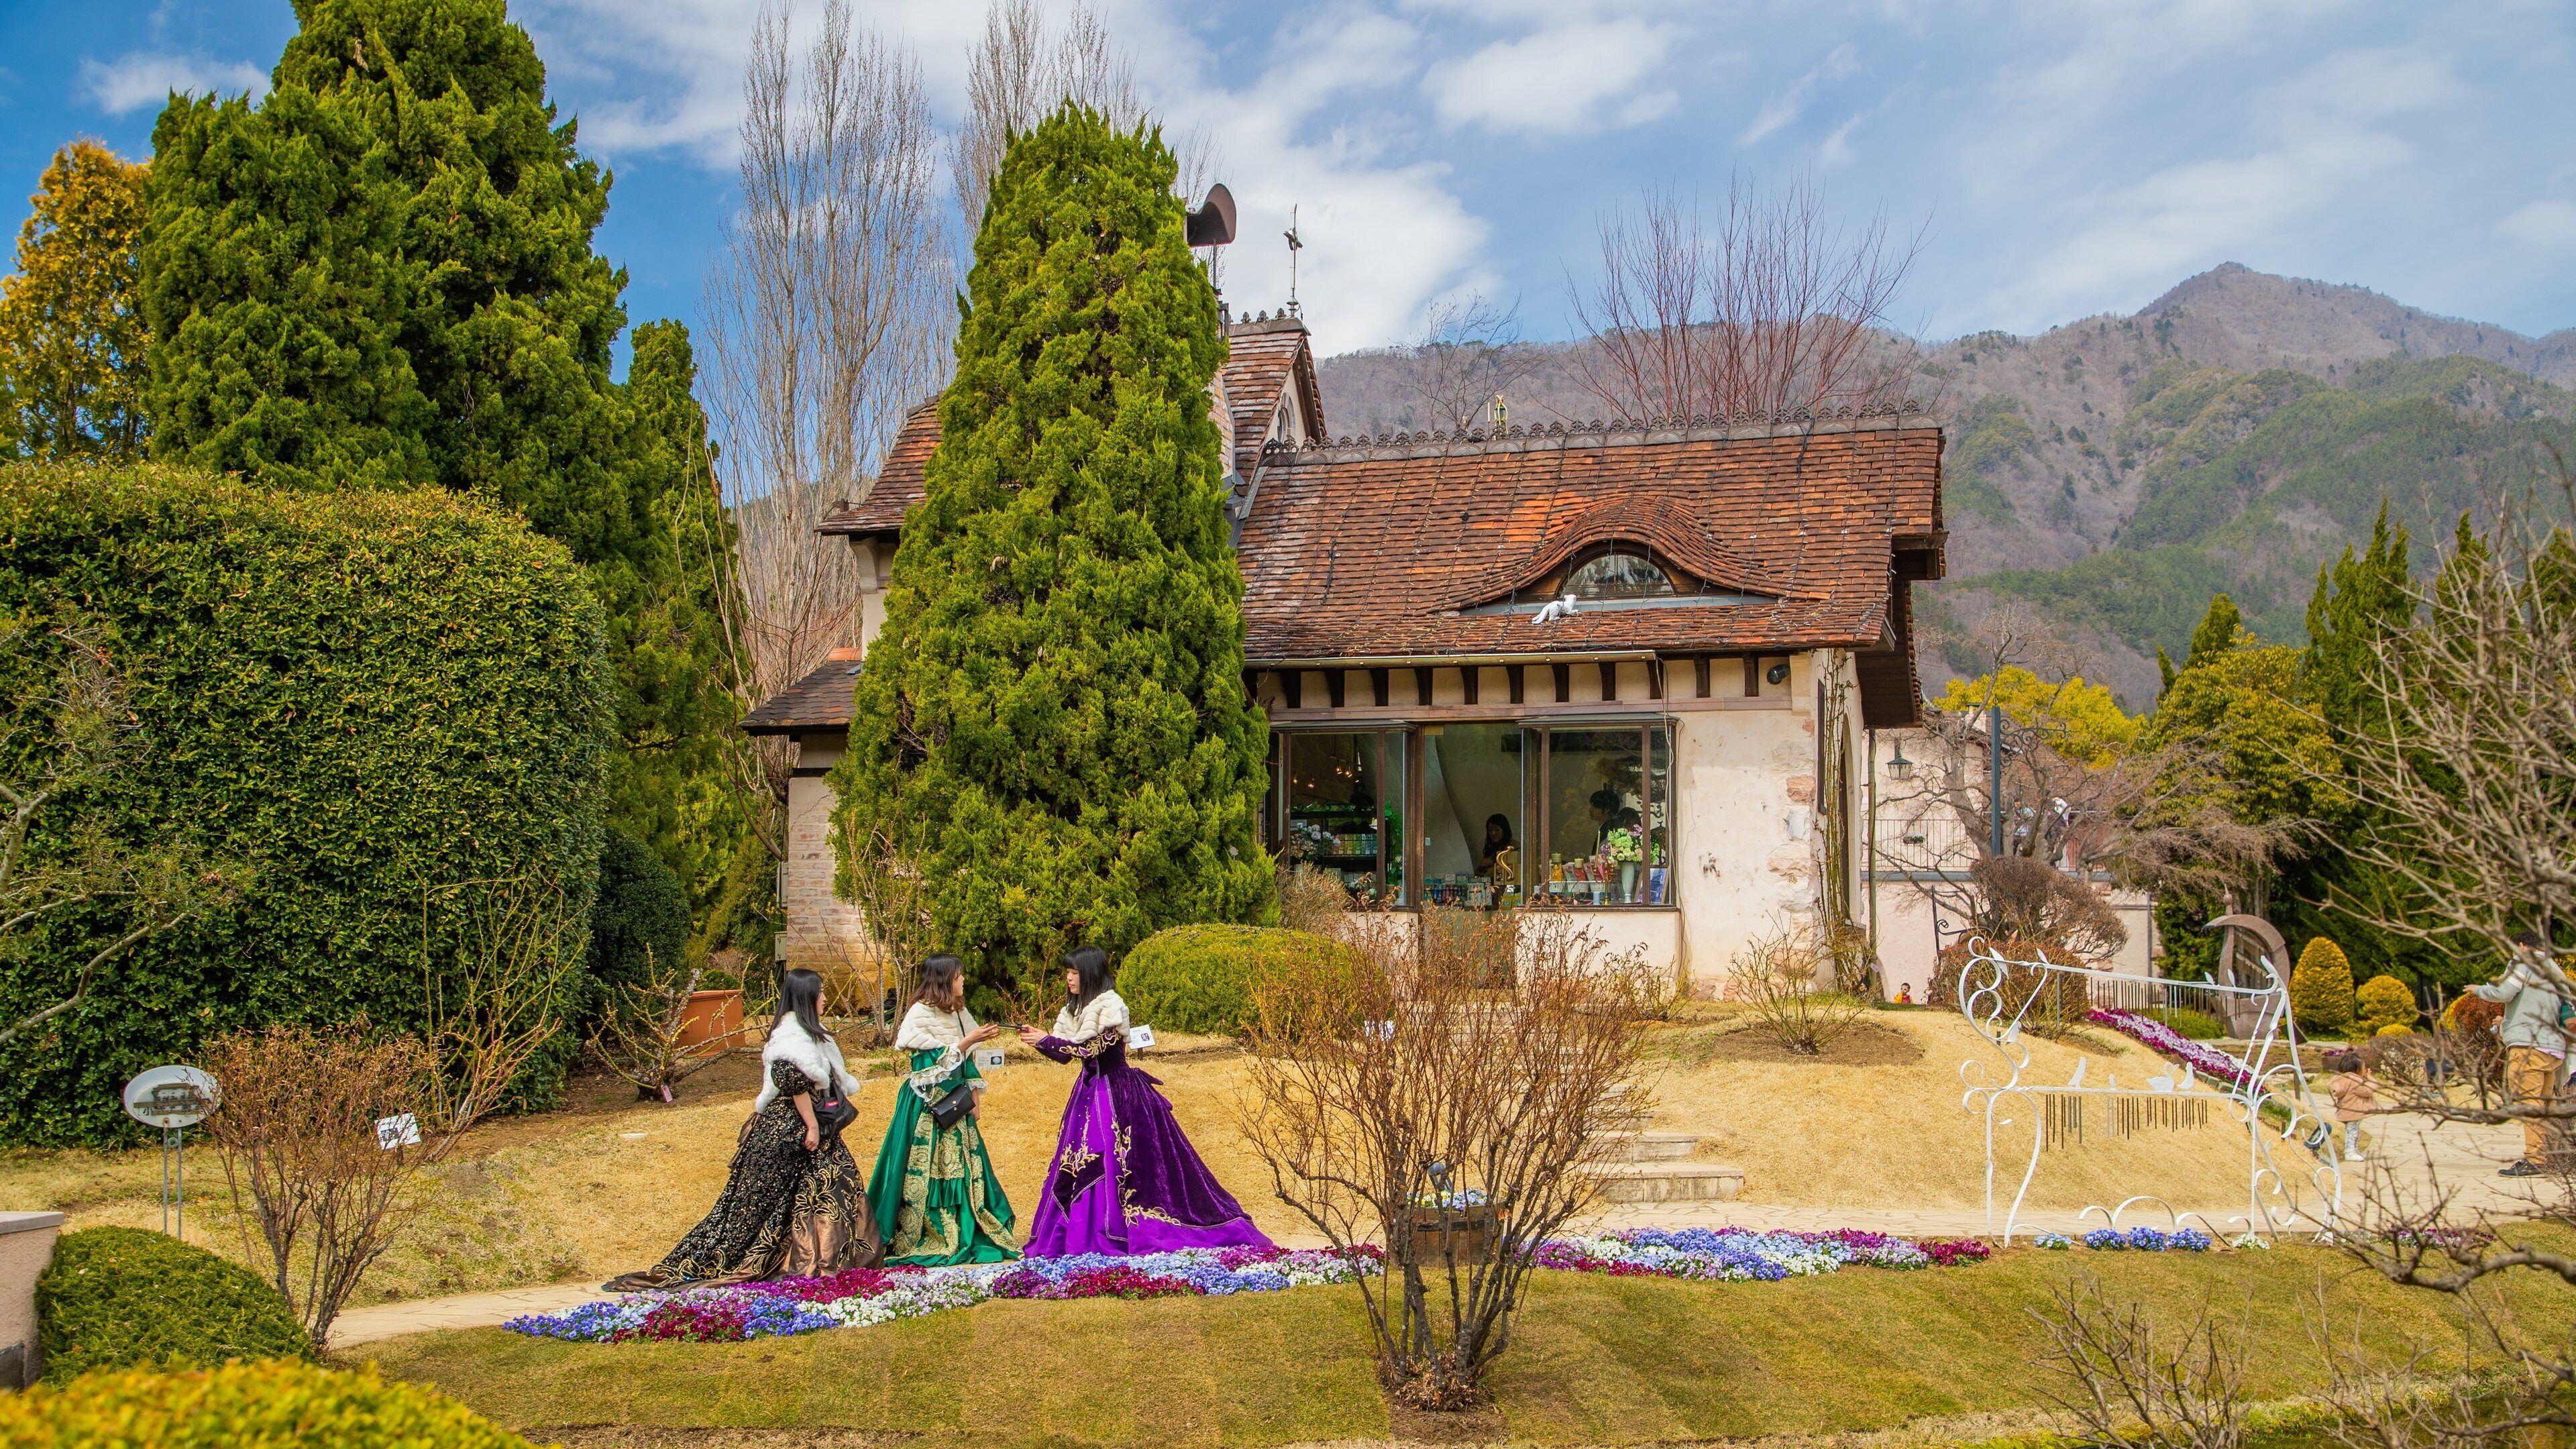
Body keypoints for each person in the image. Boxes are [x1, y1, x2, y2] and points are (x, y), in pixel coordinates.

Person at [604, 968, 877, 1290]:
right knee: (768, 1203)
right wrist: (812, 1126)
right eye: (821, 993)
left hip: (810, 1127)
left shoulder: (811, 1033)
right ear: (807, 997)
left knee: (830, 1187)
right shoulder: (791, 1036)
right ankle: (803, 1262)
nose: (825, 998)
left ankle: (828, 1259)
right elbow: (791, 1081)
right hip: (791, 1128)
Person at [1017, 945, 1273, 1256]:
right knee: (1077, 1161)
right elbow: (1065, 1056)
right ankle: (1077, 1232)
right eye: (1068, 973)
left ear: (1091, 974)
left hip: (1116, 1095)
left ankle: (1108, 1231)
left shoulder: (1111, 1006)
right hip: (1087, 1094)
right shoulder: (1074, 1011)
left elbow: (1090, 1049)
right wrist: (1038, 1041)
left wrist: (1046, 1039)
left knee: (1112, 1159)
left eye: (1075, 973)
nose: (1069, 979)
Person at [868, 954, 1019, 1264]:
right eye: (958, 975)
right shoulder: (920, 1014)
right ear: (945, 980)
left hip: (957, 1105)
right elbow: (925, 1069)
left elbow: (965, 1063)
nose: (963, 980)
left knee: (962, 1168)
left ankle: (965, 1227)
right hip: (926, 1108)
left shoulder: (959, 1012)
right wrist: (966, 1042)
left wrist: (975, 1098)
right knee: (924, 1169)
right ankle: (929, 1230)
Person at [2469, 931, 2571, 1177]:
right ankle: (2548, 1156)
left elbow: (2504, 992)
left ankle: (2535, 1160)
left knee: (2529, 1104)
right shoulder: (2554, 968)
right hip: (2553, 1048)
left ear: (2523, 945)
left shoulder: (2523, 961)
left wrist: (2479, 990)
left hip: (2528, 1046)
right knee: (2544, 1104)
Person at [2324, 1047, 2379, 1163]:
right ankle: (2350, 1152)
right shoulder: (2355, 1081)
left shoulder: (2344, 1079)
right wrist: (2370, 1078)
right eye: (2364, 1068)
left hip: (2348, 1111)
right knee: (2352, 1133)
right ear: (2357, 1070)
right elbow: (2369, 1091)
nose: (2365, 1071)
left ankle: (2354, 1150)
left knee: (2353, 1132)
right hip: (2353, 1112)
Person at [1475, 814, 1517, 882]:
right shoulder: (1490, 847)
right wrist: (1482, 867)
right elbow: (1477, 876)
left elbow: (1511, 869)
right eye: (1490, 830)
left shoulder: (1513, 846)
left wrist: (1492, 868)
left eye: (1497, 830)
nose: (1493, 833)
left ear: (1504, 830)